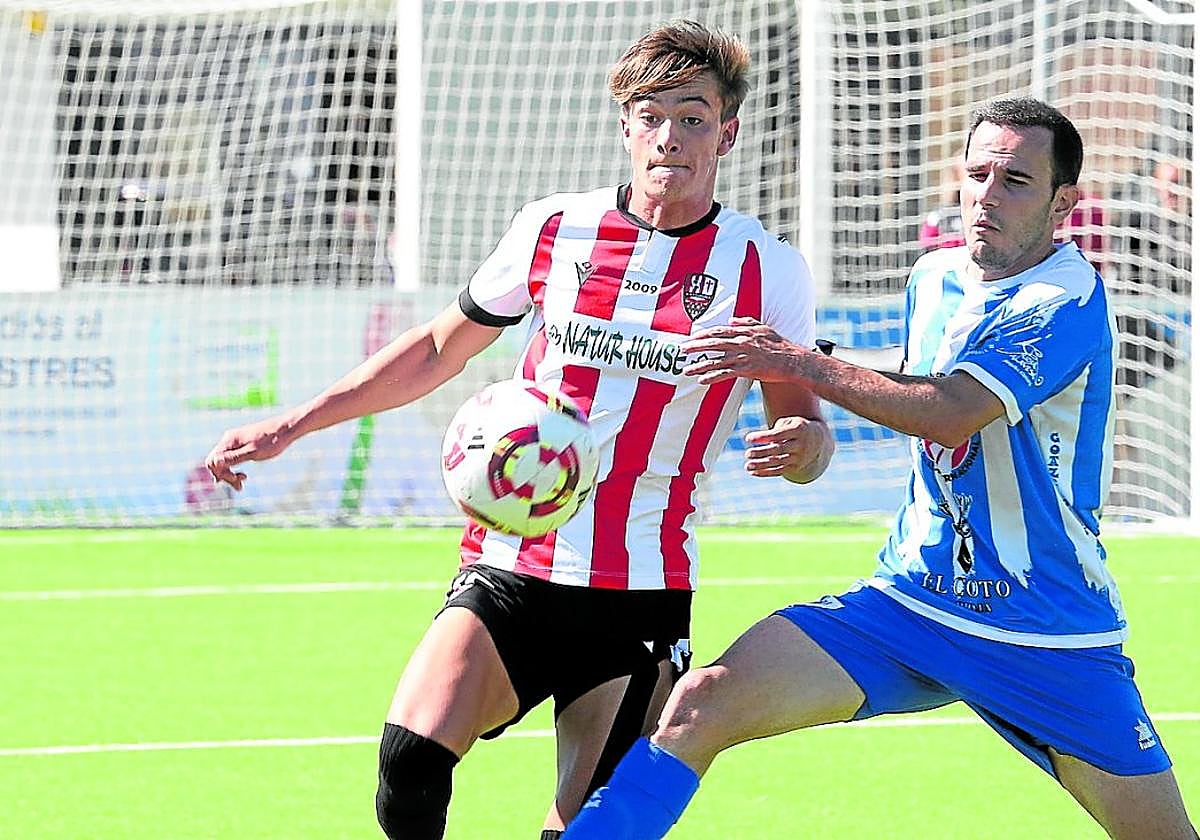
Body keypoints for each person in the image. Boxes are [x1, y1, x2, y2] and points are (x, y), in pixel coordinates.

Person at [204, 20, 833, 840]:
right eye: (651, 116)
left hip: (638, 587)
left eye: (692, 116)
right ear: (626, 127)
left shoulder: (766, 269)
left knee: (587, 831)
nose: (669, 137)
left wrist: (801, 450)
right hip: (511, 564)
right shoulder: (553, 228)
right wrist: (295, 424)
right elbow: (435, 349)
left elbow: (806, 428)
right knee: (409, 763)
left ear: (729, 130)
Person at [564, 97, 1197, 840]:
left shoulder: (1064, 298)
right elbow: (911, 377)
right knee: (701, 706)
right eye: (978, 173)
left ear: (1065, 203)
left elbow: (949, 410)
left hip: (1043, 630)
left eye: (1016, 180)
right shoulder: (933, 277)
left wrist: (794, 360)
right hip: (909, 604)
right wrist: (816, 367)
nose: (987, 194)